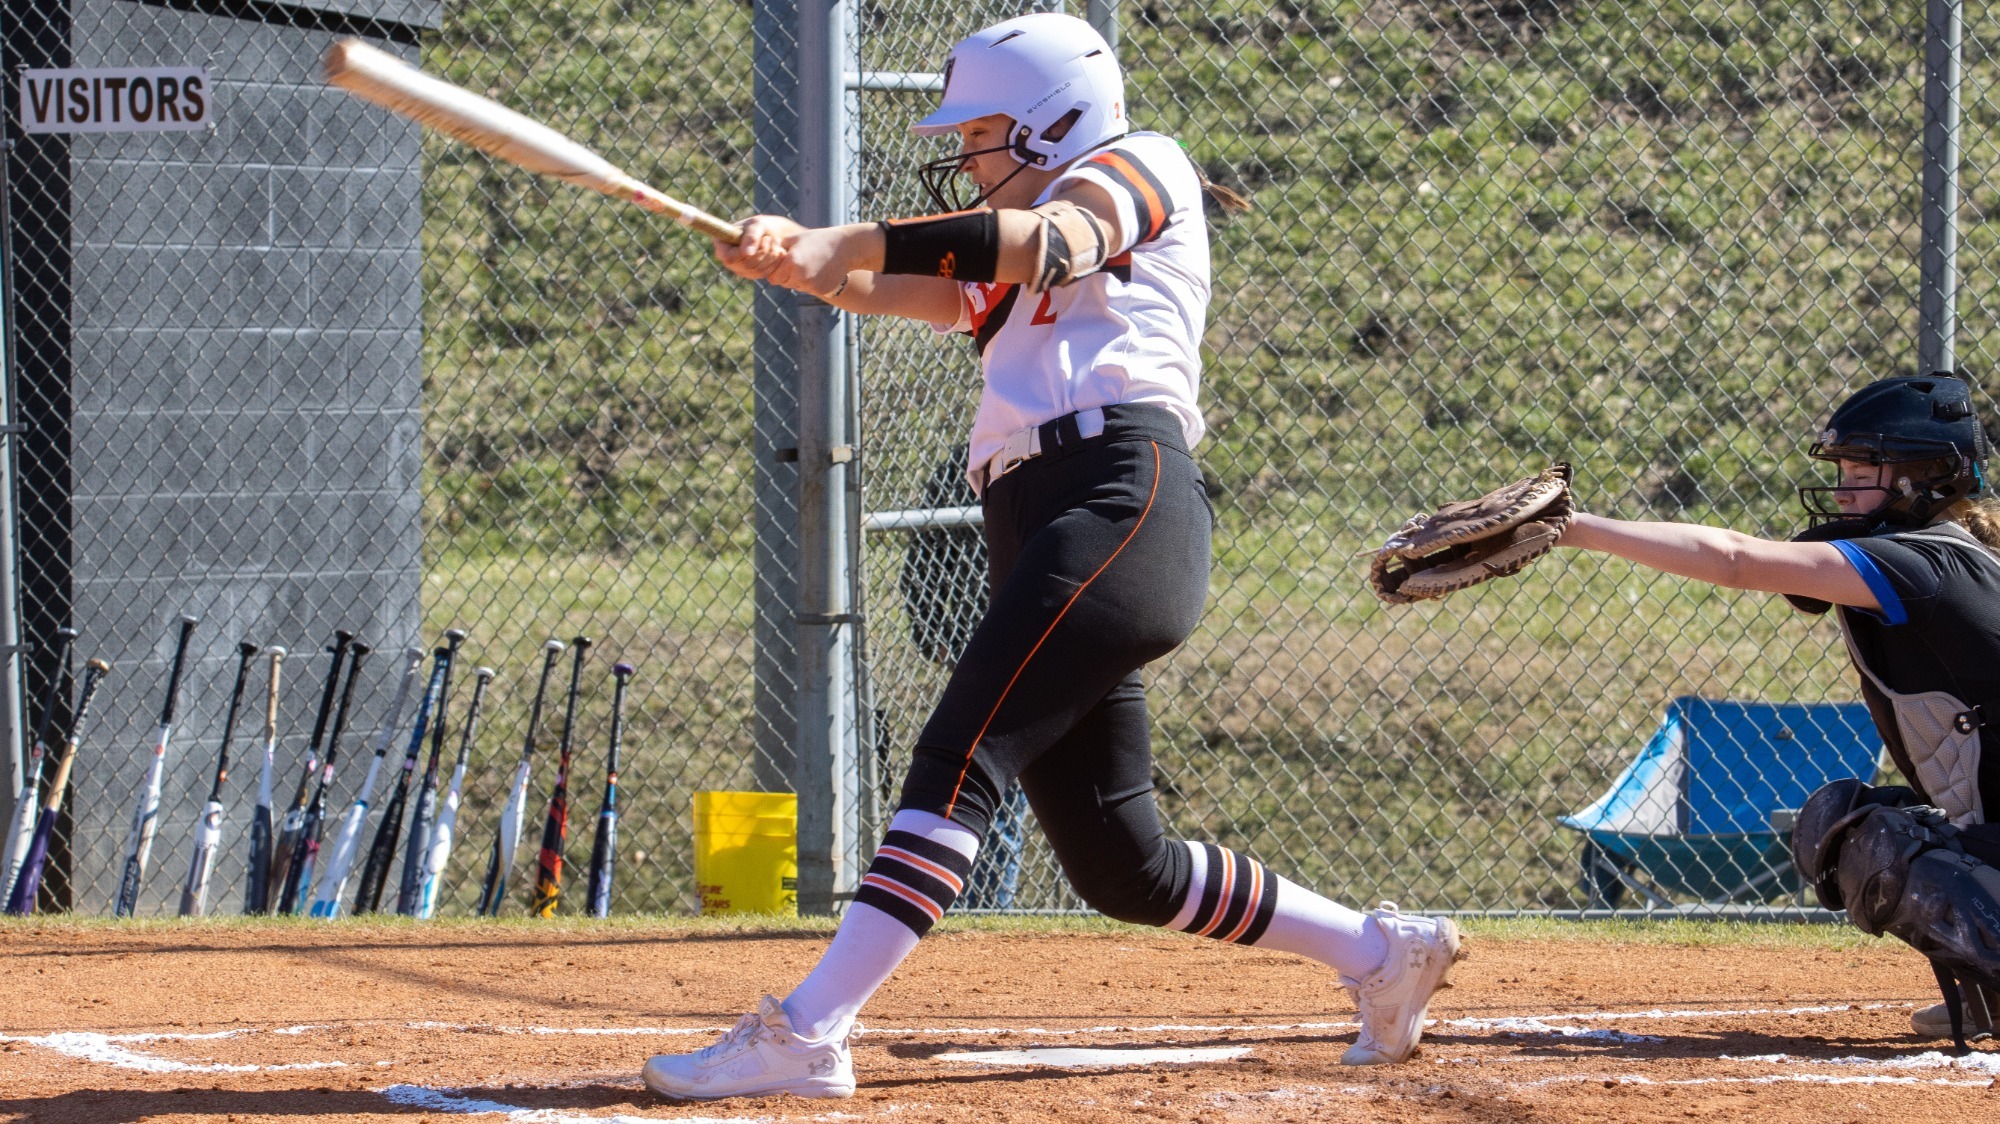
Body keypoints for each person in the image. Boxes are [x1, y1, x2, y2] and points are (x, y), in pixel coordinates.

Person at [641, 12, 1463, 1101]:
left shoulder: (1134, 168)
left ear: (1051, 124)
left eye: (982, 133)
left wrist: (851, 239)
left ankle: (808, 1028)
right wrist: (801, 259)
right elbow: (923, 285)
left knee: (960, 747)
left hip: (1121, 495)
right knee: (1122, 860)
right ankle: (1379, 951)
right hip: (1034, 513)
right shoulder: (1014, 230)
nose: (968, 156)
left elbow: (1048, 246)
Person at [1558, 372, 2000, 1047]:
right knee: (1846, 821)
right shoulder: (1941, 559)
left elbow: (1736, 560)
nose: (1846, 482)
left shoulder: (1927, 568)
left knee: (1881, 843)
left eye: (1865, 465)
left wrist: (1575, 528)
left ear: (1924, 474)